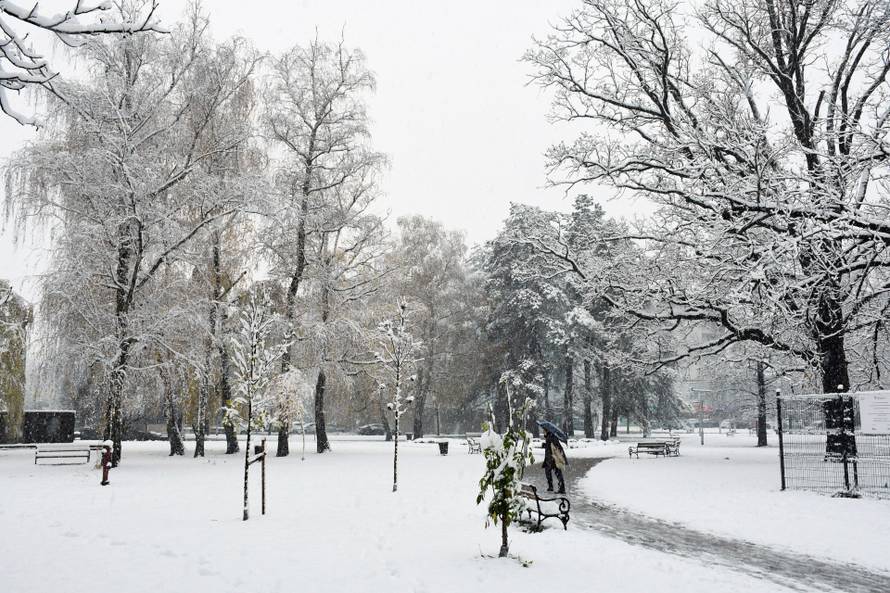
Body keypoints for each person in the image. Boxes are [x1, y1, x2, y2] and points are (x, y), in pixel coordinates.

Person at [542, 428, 567, 494]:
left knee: (557, 473)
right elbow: (550, 446)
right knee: (548, 472)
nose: (543, 431)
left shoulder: (551, 437)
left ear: (547, 430)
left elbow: (555, 447)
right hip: (549, 458)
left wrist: (553, 456)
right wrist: (545, 445)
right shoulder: (549, 437)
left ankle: (561, 488)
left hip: (553, 458)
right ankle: (551, 487)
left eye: (544, 430)